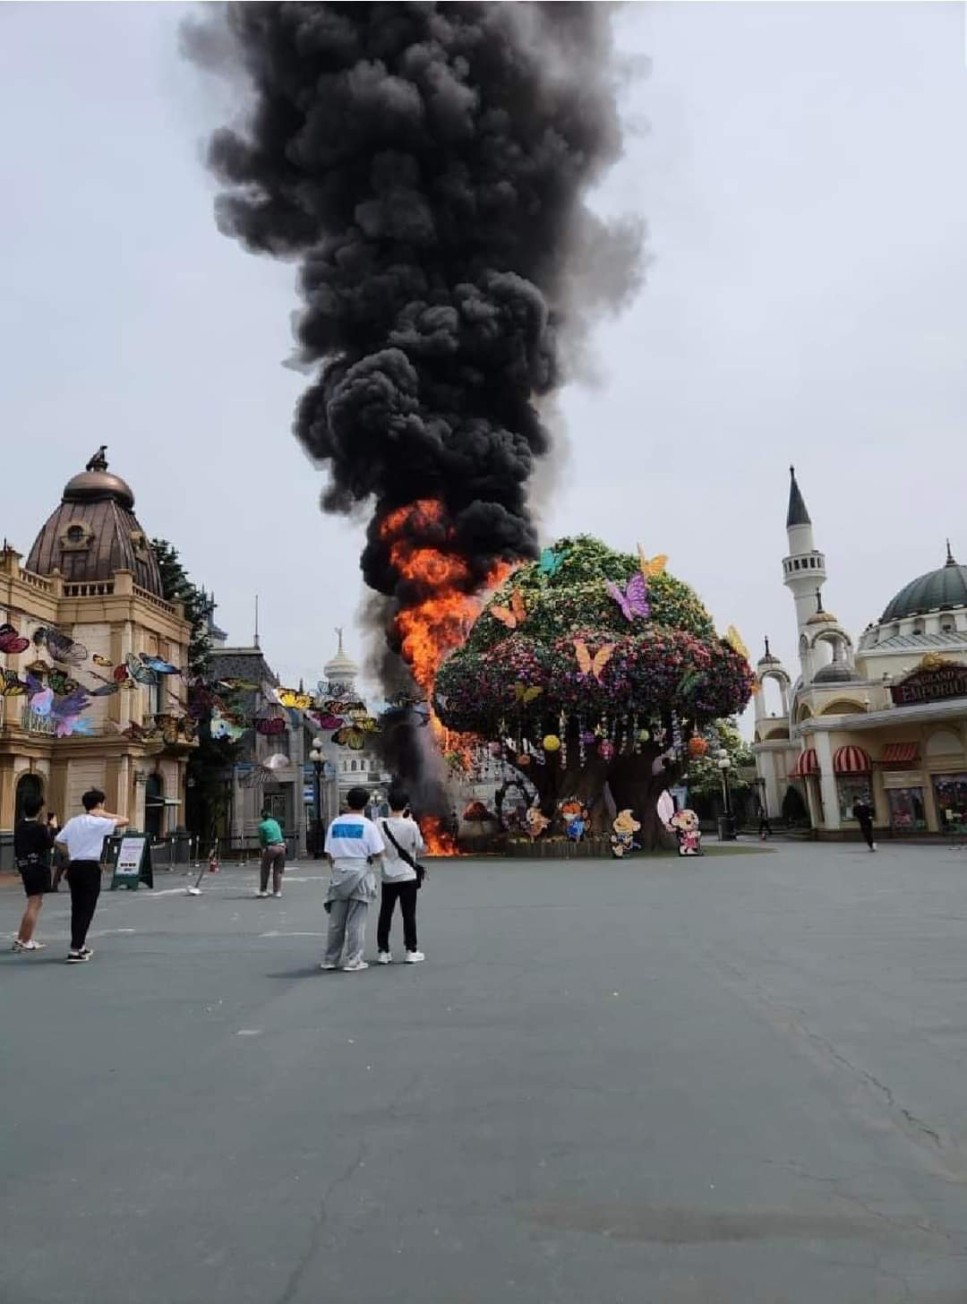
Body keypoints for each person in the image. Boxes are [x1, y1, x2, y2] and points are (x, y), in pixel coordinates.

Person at [54, 789, 129, 963]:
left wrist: (70, 854)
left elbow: (58, 840)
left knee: (77, 907)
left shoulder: (74, 821)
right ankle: (75, 949)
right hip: (90, 866)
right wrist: (104, 814)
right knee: (87, 908)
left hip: (75, 865)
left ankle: (79, 945)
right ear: (100, 804)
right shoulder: (98, 822)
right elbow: (125, 820)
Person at [321, 786, 384, 972]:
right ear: (366, 804)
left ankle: (330, 960)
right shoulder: (368, 826)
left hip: (339, 872)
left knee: (336, 922)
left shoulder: (335, 824)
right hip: (360, 873)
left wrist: (336, 869)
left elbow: (329, 853)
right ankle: (353, 960)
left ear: (347, 803)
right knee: (356, 921)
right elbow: (378, 852)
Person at [376, 788, 426, 965]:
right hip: (407, 875)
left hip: (387, 875)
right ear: (406, 806)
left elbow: (376, 847)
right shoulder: (411, 825)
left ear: (389, 804)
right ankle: (411, 950)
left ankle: (383, 951)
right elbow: (420, 847)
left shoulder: (379, 824)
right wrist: (410, 822)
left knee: (385, 913)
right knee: (408, 914)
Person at [12, 797, 57, 952]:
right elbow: (49, 844)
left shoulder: (20, 826)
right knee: (34, 904)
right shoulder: (39, 827)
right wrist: (52, 828)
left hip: (25, 865)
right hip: (38, 867)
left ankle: (21, 938)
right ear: (39, 809)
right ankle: (26, 940)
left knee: (33, 902)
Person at [257, 808, 286, 898]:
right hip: (281, 847)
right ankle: (277, 891)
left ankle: (263, 890)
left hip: (271, 847)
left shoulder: (262, 826)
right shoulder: (275, 823)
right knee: (278, 870)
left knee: (265, 868)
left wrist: (263, 848)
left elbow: (262, 839)